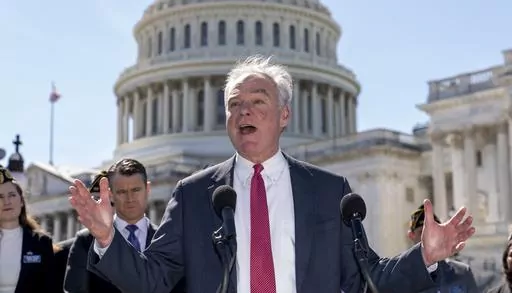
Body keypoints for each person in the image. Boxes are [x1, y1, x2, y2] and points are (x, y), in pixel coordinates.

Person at [69, 56, 475, 293]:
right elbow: (152, 280)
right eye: (234, 103)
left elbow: (365, 280)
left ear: (284, 115)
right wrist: (108, 238)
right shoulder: (194, 196)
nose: (244, 111)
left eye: (258, 102)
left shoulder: (330, 191)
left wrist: (425, 256)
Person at [64, 162, 186, 293]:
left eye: (136, 190)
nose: (130, 198)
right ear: (111, 194)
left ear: (148, 189)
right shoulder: (86, 241)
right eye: (122, 191)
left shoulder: (168, 241)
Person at [0, 165, 56, 293]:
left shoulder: (41, 242)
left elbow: (51, 287)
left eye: (12, 195)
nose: (7, 201)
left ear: (21, 201)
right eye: (0, 197)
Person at [407, 204, 478, 292]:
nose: (428, 237)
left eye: (433, 232)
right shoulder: (400, 277)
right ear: (411, 235)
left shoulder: (462, 272)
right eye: (422, 232)